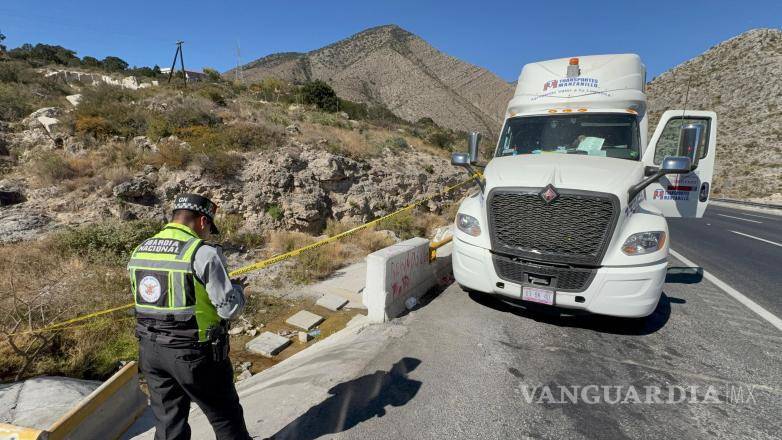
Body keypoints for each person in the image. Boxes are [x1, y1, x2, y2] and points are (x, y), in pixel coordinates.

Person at [128, 193, 252, 440]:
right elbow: (229, 309)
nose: (208, 235)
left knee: (168, 422)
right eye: (209, 229)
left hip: (151, 351)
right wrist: (238, 290)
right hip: (195, 354)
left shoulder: (141, 249)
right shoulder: (202, 253)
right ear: (203, 222)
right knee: (224, 415)